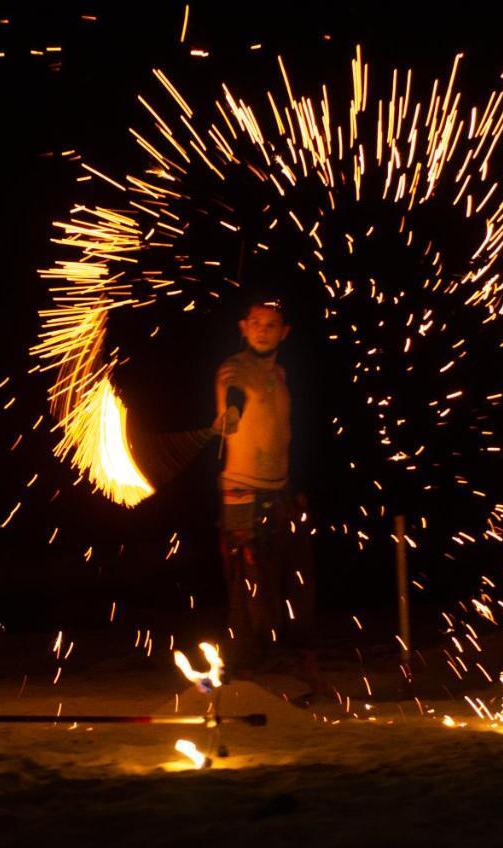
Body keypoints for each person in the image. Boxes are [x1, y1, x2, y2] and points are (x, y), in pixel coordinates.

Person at [213, 295, 326, 700]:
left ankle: (292, 662)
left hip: (281, 489)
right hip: (242, 491)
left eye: (271, 324)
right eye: (256, 322)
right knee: (249, 583)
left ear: (284, 332)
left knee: (295, 578)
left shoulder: (279, 374)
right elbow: (234, 396)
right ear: (243, 327)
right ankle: (246, 670)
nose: (263, 329)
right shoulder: (234, 369)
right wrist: (231, 415)